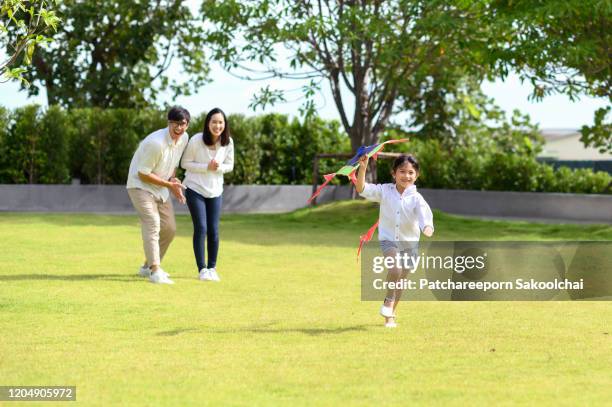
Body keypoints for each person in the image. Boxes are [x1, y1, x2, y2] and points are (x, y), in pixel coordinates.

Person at [356, 154, 434, 328]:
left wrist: (427, 227)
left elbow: (424, 216)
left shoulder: (416, 198)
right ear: (394, 173)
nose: (406, 176)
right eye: (402, 171)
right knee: (395, 269)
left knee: (401, 281)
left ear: (417, 175)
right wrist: (363, 168)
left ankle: (390, 316)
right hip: (388, 240)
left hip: (410, 244)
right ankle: (388, 300)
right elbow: (362, 189)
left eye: (411, 172)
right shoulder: (384, 191)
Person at [126, 106, 190, 284]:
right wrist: (168, 184)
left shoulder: (184, 138)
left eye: (182, 124)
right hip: (139, 186)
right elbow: (143, 173)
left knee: (169, 229)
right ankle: (155, 271)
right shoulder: (156, 143)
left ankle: (147, 267)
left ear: (187, 125)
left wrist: (173, 181)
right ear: (168, 123)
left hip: (161, 186)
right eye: (174, 124)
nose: (178, 128)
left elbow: (173, 163)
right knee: (152, 223)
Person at [181, 108, 234, 282]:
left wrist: (219, 167)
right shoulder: (196, 140)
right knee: (201, 228)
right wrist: (206, 167)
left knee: (214, 229)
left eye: (220, 122)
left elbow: (230, 165)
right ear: (207, 123)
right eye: (214, 122)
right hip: (195, 188)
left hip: (215, 190)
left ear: (224, 125)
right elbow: (185, 163)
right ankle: (202, 269)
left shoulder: (228, 143)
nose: (217, 125)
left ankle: (212, 267)